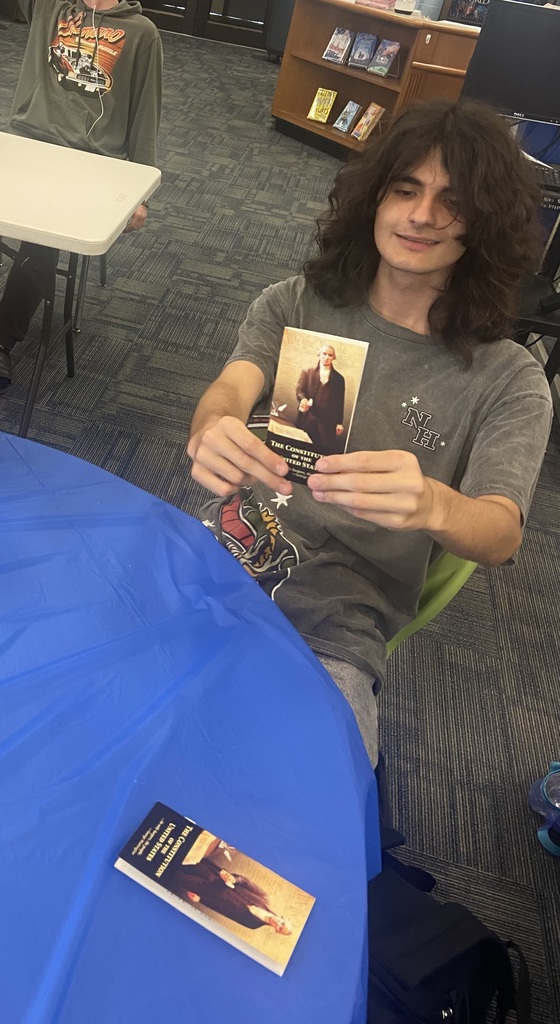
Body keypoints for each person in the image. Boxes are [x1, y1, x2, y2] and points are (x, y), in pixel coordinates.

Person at [187, 100, 553, 765]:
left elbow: (500, 533)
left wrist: (433, 503)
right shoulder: (297, 302)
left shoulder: (509, 379)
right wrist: (213, 424)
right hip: (219, 555)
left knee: (302, 786)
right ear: (374, 198)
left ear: (486, 224)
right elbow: (232, 387)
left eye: (453, 203)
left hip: (337, 622)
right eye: (405, 189)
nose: (422, 215)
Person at [0, 0, 162, 394]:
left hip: (92, 161)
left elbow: (146, 110)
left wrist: (142, 189)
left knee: (42, 237)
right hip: (28, 144)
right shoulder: (49, 6)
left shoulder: (141, 32)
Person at [171, 860, 292, 935]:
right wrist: (234, 879)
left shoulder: (253, 924)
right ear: (283, 918)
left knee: (177, 873)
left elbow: (224, 911)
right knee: (189, 859)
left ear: (277, 931)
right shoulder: (264, 898)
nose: (279, 924)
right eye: (282, 923)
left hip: (207, 892)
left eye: (280, 928)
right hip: (215, 876)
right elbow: (245, 882)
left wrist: (201, 900)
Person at [294, 344, 345, 455]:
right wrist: (303, 400)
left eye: (330, 355)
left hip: (328, 420)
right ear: (319, 355)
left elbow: (339, 402)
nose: (326, 357)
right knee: (302, 447)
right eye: (324, 354)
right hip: (308, 416)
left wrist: (339, 422)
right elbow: (300, 391)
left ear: (334, 358)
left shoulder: (339, 379)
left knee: (324, 449)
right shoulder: (307, 371)